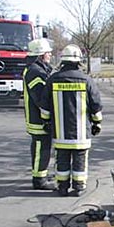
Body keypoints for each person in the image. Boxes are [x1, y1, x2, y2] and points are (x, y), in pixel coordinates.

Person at [40, 44, 103, 197]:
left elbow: (44, 105)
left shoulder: (52, 79)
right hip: (81, 133)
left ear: (62, 61)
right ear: (78, 62)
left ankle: (62, 187)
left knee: (62, 158)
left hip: (60, 132)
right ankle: (79, 187)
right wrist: (97, 123)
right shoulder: (86, 80)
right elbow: (96, 104)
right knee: (80, 159)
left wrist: (47, 122)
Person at [23, 38, 55, 190]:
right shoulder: (36, 72)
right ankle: (39, 180)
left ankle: (41, 174)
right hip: (38, 119)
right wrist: (47, 118)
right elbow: (41, 98)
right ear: (41, 54)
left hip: (37, 117)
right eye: (48, 52)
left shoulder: (36, 69)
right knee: (41, 149)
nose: (50, 54)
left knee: (41, 148)